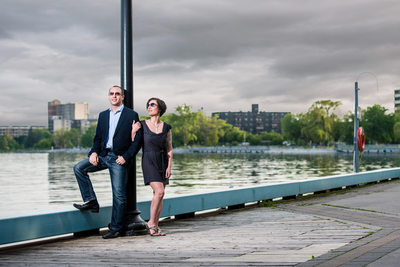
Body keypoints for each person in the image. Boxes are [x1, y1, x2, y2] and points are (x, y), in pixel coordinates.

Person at [73, 85, 142, 239]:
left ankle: (116, 228)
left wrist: (126, 156)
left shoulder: (131, 114)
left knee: (118, 195)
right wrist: (94, 152)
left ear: (122, 97)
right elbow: (98, 138)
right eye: (112, 94)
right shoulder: (103, 115)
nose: (114, 96)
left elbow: (137, 141)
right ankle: (91, 201)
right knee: (79, 168)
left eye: (118, 94)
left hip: (118, 159)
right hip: (103, 155)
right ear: (109, 96)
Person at [131, 97, 172, 236]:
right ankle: (151, 223)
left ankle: (156, 225)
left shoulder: (166, 127)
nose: (149, 107)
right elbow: (133, 144)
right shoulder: (141, 125)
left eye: (152, 105)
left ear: (159, 108)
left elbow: (169, 149)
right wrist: (133, 132)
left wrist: (169, 167)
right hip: (148, 160)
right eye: (148, 105)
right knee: (159, 191)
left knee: (160, 195)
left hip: (163, 161)